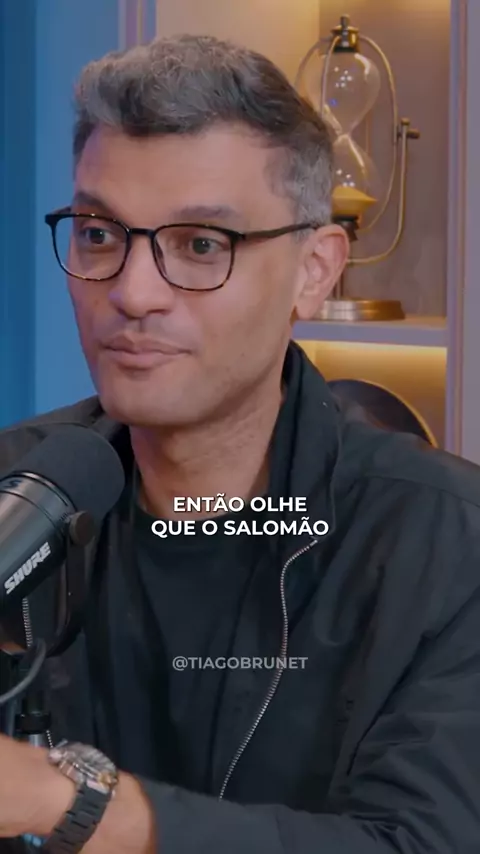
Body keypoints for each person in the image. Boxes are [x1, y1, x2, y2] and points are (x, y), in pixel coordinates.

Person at [0, 33, 480, 854]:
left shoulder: (447, 543)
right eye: (99, 234)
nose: (133, 294)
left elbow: (421, 843)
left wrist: (69, 803)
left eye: (200, 245)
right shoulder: (17, 489)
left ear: (315, 270)